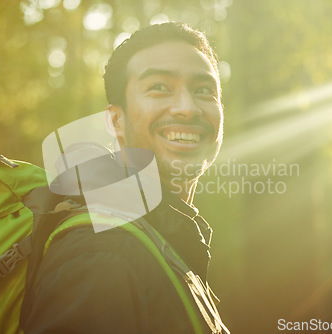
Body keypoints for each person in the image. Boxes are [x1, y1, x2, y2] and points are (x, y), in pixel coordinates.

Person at [20, 22, 228, 334]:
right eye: (159, 87)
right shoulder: (101, 253)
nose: (188, 108)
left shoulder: (161, 239)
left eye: (204, 90)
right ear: (117, 119)